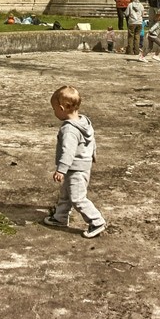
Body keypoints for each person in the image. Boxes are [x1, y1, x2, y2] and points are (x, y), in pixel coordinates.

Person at [43, 85, 106, 239]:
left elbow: (68, 152)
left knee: (77, 198)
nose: (54, 112)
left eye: (54, 109)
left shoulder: (69, 130)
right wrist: (93, 154)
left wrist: (61, 170)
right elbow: (91, 140)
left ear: (62, 108)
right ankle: (60, 217)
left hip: (75, 169)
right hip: (83, 166)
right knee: (65, 194)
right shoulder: (84, 121)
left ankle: (97, 221)